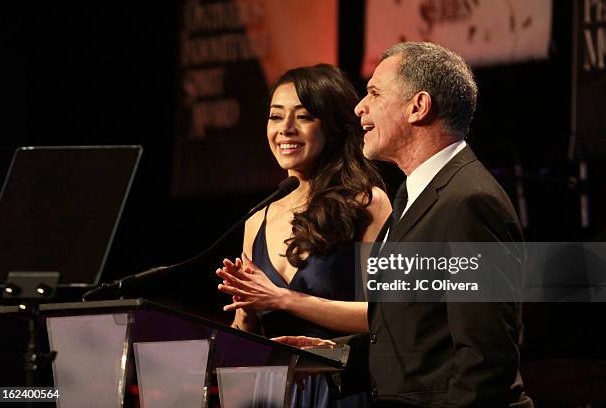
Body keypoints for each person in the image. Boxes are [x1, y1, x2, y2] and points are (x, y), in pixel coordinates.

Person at [220, 43, 533, 407]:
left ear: (418, 107)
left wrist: (289, 302)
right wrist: (330, 354)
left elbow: (486, 360)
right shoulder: (413, 199)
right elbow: (412, 329)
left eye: (373, 93)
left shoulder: (469, 202)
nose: (359, 108)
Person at [216, 64, 391, 407]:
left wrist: (283, 299)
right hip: (277, 394)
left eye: (304, 116)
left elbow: (387, 315)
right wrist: (247, 310)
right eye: (275, 117)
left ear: (333, 125)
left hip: (345, 392)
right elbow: (246, 338)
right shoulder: (258, 220)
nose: (286, 130)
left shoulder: (367, 203)